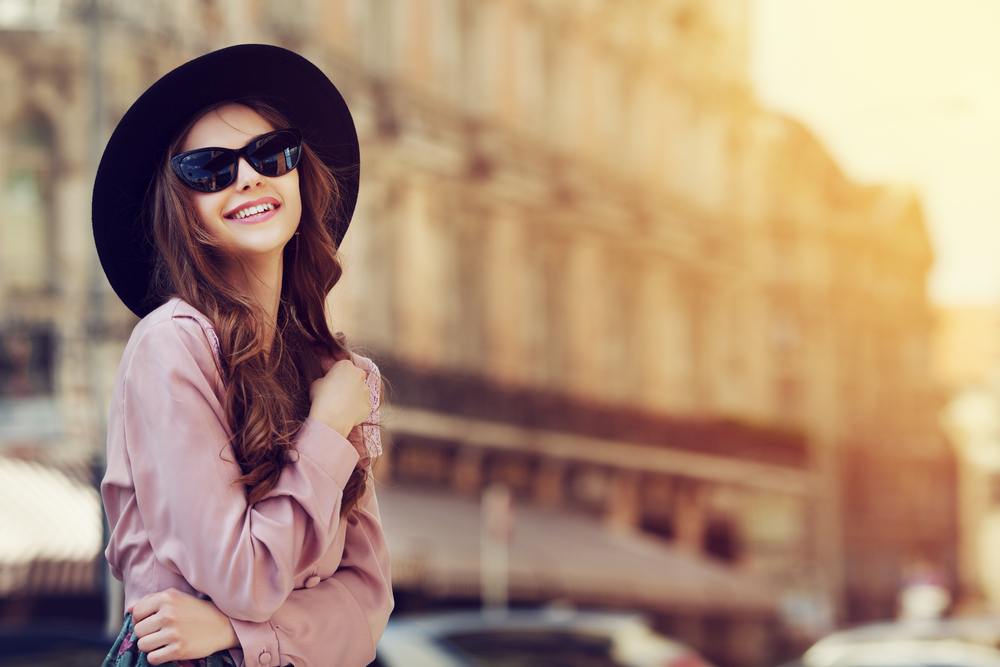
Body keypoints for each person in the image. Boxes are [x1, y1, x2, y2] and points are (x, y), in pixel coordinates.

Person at [93, 45, 393, 667]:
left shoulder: (334, 372)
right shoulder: (172, 343)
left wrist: (237, 632)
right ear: (182, 207)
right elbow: (245, 580)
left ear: (298, 173)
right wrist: (327, 428)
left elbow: (369, 604)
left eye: (269, 154)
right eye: (208, 169)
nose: (250, 178)